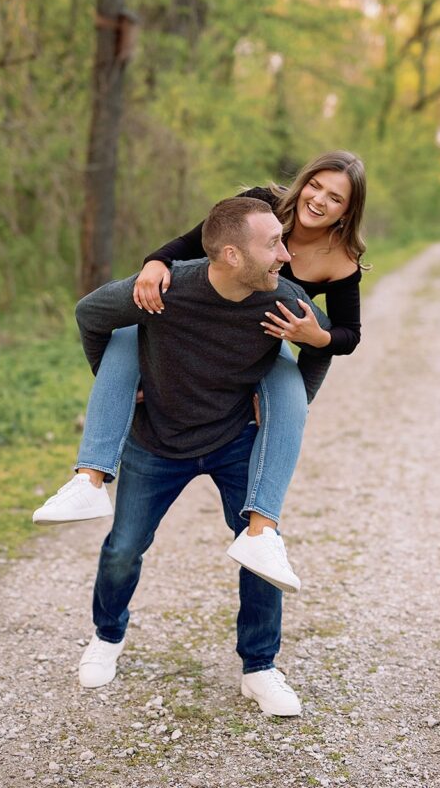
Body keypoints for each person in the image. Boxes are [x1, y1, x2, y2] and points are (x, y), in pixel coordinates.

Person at [33, 150, 366, 591]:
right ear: (303, 183)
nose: (320, 200)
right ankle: (89, 479)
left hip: (264, 340)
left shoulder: (341, 260)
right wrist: (155, 263)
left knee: (290, 395)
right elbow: (194, 244)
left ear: (348, 211)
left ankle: (263, 533)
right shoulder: (261, 207)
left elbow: (346, 336)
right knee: (131, 332)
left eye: (336, 198)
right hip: (197, 323)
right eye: (316, 186)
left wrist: (314, 338)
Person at [74, 196, 334, 716]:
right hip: (156, 442)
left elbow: (322, 343)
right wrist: (124, 388)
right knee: (124, 547)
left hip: (234, 440)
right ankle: (107, 637)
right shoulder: (168, 289)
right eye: (272, 245)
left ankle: (260, 668)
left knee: (261, 549)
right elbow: (91, 314)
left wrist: (290, 405)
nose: (285, 255)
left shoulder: (280, 298)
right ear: (232, 256)